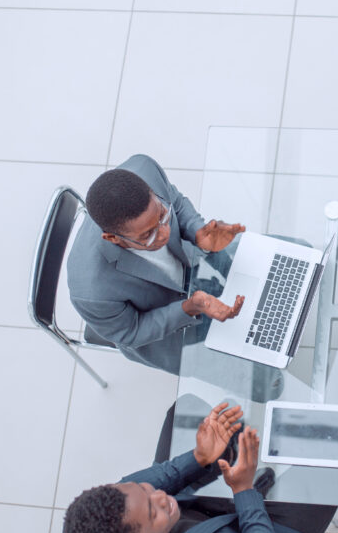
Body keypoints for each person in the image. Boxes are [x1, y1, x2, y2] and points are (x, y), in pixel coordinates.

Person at [63, 402, 338, 533]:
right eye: (152, 511)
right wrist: (244, 491)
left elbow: (139, 486)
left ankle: (236, 451)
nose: (160, 496)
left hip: (198, 514)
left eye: (145, 491)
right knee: (335, 461)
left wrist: (199, 456)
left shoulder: (79, 532)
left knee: (187, 409)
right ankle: (253, 482)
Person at [67, 154, 247, 375]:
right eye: (148, 235)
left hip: (188, 262)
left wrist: (197, 231)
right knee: (247, 372)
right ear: (113, 239)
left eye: (162, 215)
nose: (165, 233)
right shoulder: (91, 292)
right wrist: (189, 308)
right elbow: (132, 332)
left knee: (280, 256)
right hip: (164, 324)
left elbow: (177, 203)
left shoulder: (144, 170)